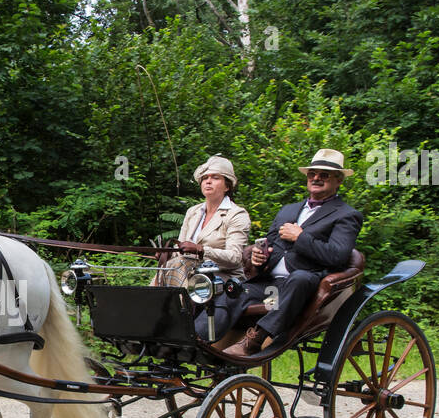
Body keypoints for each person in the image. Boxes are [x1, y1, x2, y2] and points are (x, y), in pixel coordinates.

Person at [198, 149, 363, 360]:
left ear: (338, 180)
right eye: (312, 173)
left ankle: (254, 340)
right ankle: (197, 340)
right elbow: (271, 245)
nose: (316, 178)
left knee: (300, 278)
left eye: (324, 175)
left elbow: (338, 256)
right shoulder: (288, 210)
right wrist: (259, 258)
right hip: (272, 290)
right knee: (232, 290)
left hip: (307, 292)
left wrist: (301, 237)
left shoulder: (347, 215)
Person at [155, 155, 251, 289]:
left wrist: (201, 250)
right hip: (186, 271)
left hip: (222, 277)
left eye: (215, 177)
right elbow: (180, 251)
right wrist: (168, 253)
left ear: (227, 186)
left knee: (177, 267)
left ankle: (177, 308)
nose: (208, 181)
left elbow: (235, 258)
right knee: (168, 267)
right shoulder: (192, 212)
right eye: (205, 178)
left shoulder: (237, 214)